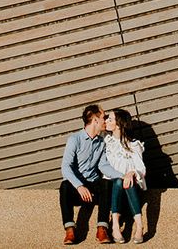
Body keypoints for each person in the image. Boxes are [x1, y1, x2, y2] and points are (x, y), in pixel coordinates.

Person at [60, 104, 123, 245]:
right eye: (103, 117)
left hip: (94, 186)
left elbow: (103, 165)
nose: (105, 121)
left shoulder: (101, 142)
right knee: (64, 186)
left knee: (106, 183)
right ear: (95, 120)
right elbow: (65, 167)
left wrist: (123, 175)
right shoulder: (74, 139)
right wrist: (79, 186)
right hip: (77, 189)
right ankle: (70, 230)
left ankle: (102, 229)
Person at [104, 109, 146, 244]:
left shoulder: (133, 145)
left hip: (131, 187)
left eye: (110, 119)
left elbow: (141, 168)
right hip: (112, 187)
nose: (106, 121)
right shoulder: (106, 142)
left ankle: (139, 226)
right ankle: (115, 225)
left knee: (128, 180)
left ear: (119, 124)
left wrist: (132, 173)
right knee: (118, 181)